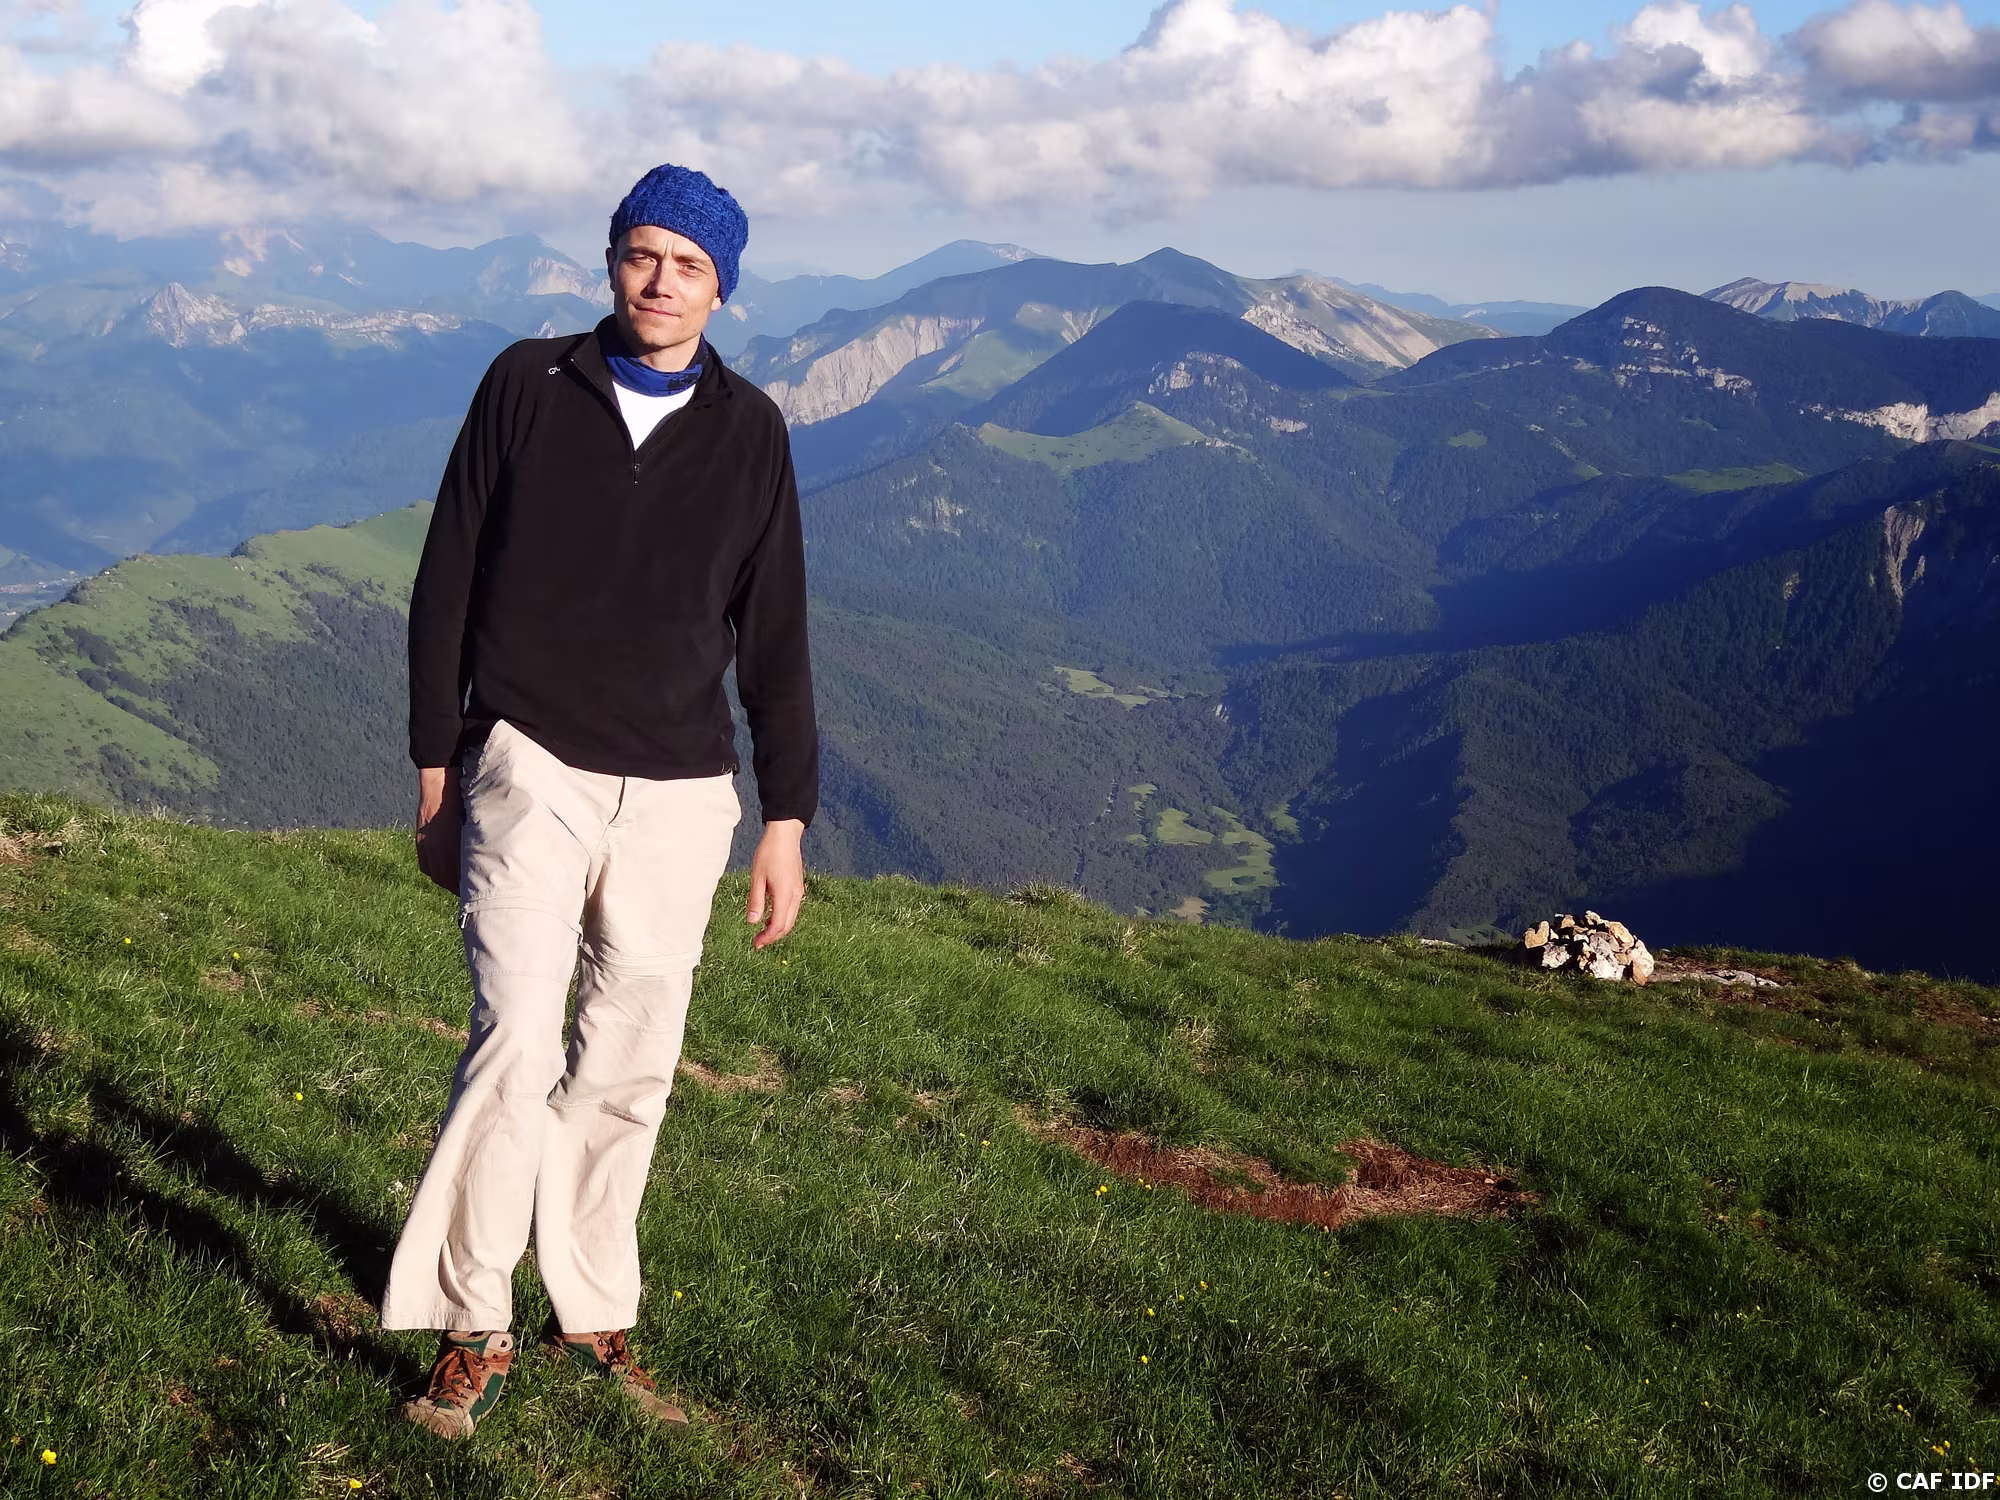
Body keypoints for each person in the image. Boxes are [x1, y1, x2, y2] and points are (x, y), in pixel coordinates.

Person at [382, 163, 817, 1439]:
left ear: (722, 287)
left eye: (689, 265)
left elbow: (774, 634)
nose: (660, 282)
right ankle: (472, 1323)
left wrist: (785, 818)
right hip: (528, 758)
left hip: (684, 789)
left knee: (631, 1057)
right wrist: (435, 766)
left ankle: (590, 1307)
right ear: (611, 260)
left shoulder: (752, 431)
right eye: (642, 254)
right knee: (515, 1039)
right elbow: (446, 576)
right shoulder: (527, 383)